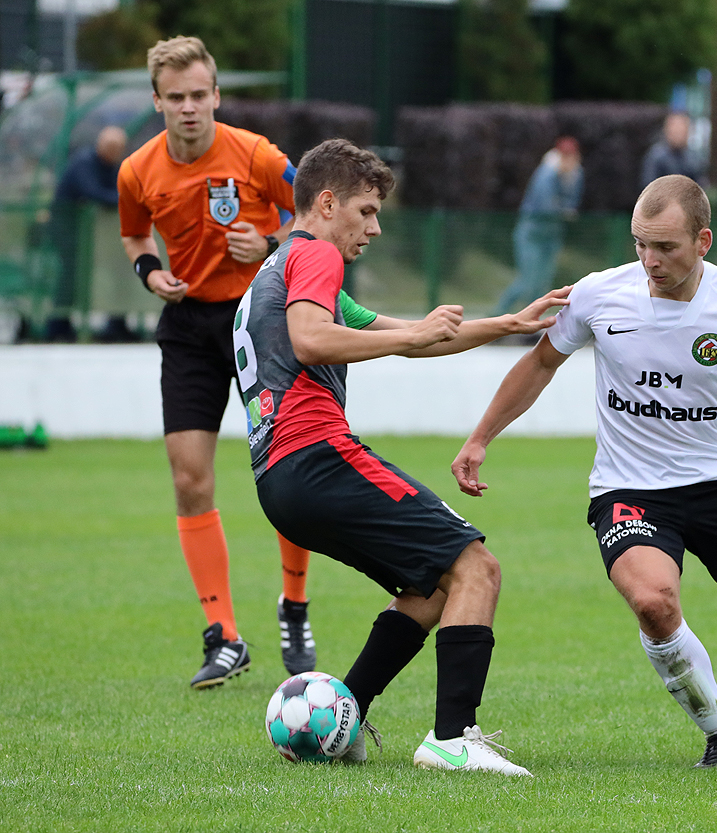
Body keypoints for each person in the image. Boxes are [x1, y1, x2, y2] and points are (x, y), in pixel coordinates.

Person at [451, 174, 717, 769]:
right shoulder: (598, 295)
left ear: (704, 240)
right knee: (653, 602)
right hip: (628, 490)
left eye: (666, 247)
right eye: (640, 243)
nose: (650, 260)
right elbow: (540, 364)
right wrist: (481, 437)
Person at [237, 138, 565, 774]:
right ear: (326, 204)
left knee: (434, 584)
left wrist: (508, 324)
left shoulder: (278, 269)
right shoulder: (315, 257)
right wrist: (414, 333)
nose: (375, 227)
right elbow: (310, 342)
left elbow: (409, 339)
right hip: (315, 455)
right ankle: (452, 738)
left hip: (280, 479)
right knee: (477, 567)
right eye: (365, 211)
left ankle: (344, 712)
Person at [118, 36, 314, 689]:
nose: (190, 108)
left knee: (288, 469)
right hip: (189, 325)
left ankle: (294, 603)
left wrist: (270, 239)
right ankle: (225, 636)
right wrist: (151, 273)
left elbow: (313, 207)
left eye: (200, 95)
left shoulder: (255, 154)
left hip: (261, 319)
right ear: (158, 102)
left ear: (216, 95)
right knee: (189, 477)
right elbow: (134, 231)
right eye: (176, 98)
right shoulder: (137, 171)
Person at [45, 125, 128, 342]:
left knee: (115, 272)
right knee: (70, 276)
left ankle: (116, 323)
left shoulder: (112, 167)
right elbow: (94, 193)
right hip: (69, 231)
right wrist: (124, 201)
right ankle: (58, 325)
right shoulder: (84, 163)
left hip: (95, 235)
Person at [492, 136, 583, 317]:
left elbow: (573, 203)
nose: (568, 160)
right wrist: (563, 209)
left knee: (542, 285)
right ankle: (496, 316)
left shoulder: (575, 175)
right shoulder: (547, 173)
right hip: (532, 233)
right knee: (527, 282)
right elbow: (546, 205)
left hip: (552, 235)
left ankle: (531, 324)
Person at [639, 112, 705, 190]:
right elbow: (648, 186)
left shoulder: (693, 157)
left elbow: (700, 186)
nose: (678, 133)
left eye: (682, 129)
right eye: (675, 129)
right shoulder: (656, 156)